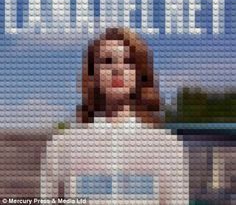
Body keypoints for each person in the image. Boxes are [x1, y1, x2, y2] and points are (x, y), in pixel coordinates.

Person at [40, 28, 189, 204]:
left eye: (128, 61)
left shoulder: (167, 147)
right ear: (92, 74)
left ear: (139, 74)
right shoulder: (62, 145)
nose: (117, 69)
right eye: (107, 61)